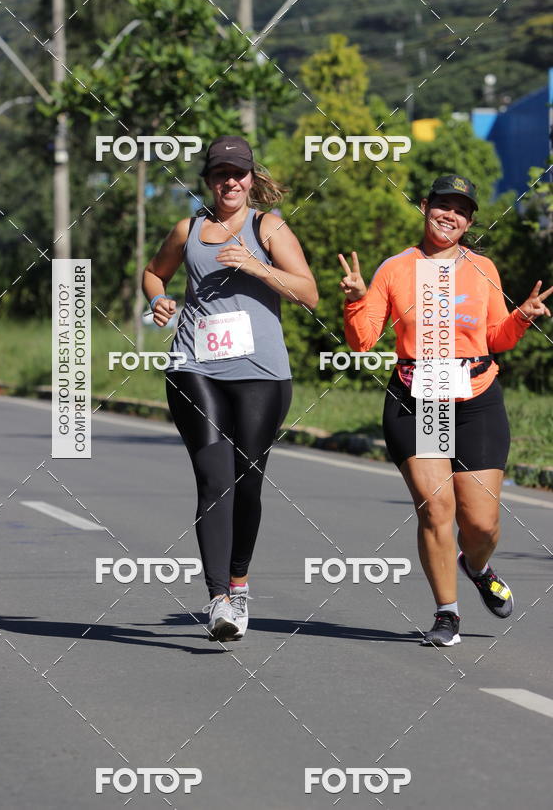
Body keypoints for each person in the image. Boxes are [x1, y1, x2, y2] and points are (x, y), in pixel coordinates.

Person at [338, 174, 552, 647]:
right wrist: (355, 301)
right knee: (437, 508)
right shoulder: (396, 268)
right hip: (419, 401)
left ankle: (475, 566)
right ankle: (446, 614)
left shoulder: (483, 269)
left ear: (470, 220)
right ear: (424, 206)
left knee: (481, 523)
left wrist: (521, 318)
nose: (449, 215)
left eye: (460, 209)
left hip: (476, 399)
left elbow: (496, 339)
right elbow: (363, 340)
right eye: (442, 205)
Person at [143, 135, 318, 642]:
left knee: (248, 480)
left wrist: (255, 265)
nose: (230, 182)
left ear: (250, 177)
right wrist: (160, 300)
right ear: (208, 180)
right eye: (220, 173)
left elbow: (308, 292)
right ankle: (219, 597)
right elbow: (154, 274)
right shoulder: (189, 229)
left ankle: (239, 582)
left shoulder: (270, 227)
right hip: (193, 364)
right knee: (214, 476)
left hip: (261, 372)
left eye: (238, 173)